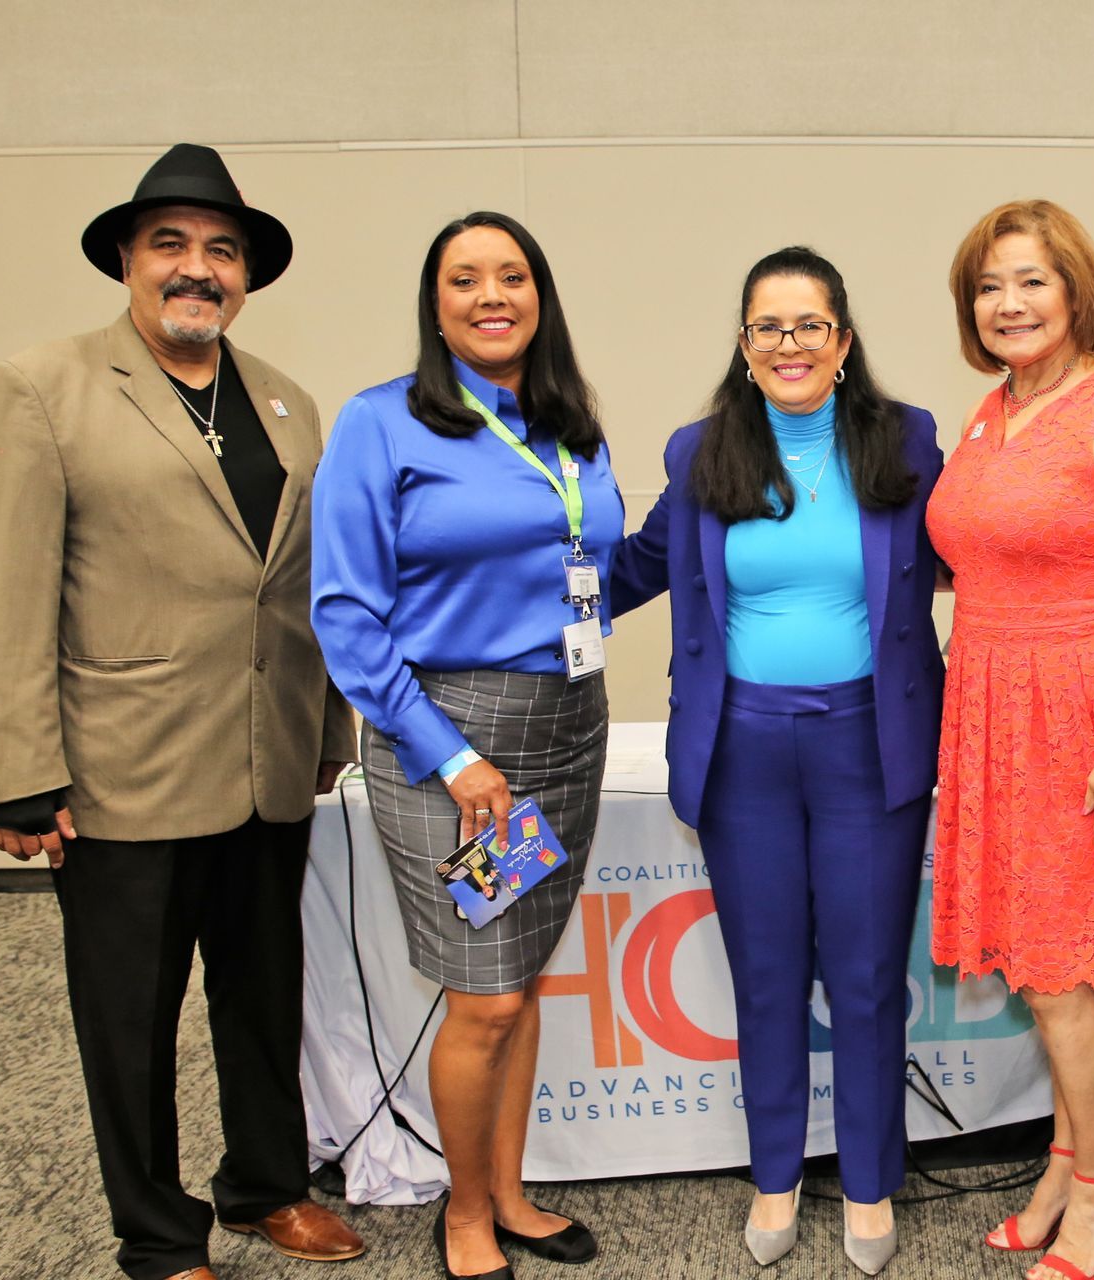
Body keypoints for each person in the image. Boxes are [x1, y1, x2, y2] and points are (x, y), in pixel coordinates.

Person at [0, 143, 365, 1280]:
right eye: (173, 246)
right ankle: (155, 1229)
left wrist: (329, 734)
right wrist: (18, 771)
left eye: (221, 251)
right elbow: (1, 589)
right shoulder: (41, 387)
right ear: (130, 263)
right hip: (120, 769)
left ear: (245, 276)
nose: (199, 269)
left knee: (264, 992)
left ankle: (266, 1186)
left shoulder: (286, 401)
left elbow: (302, 586)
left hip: (267, 759)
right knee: (130, 1017)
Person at [605, 245, 944, 1275]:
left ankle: (874, 1182)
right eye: (768, 326)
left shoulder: (906, 442)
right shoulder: (699, 452)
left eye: (810, 325)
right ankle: (776, 1175)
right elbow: (634, 568)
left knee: (869, 976)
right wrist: (513, 582)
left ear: (842, 342)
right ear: (744, 346)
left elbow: (981, 553)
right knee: (765, 977)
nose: (789, 343)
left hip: (868, 742)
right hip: (742, 750)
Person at [311, 211, 622, 1280]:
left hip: (565, 728)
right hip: (458, 747)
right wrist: (453, 756)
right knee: (484, 992)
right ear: (434, 303)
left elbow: (593, 567)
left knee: (521, 975)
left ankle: (510, 1190)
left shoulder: (567, 424)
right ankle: (463, 1214)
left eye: (513, 275)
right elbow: (347, 617)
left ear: (540, 294)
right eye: (464, 279)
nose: (492, 295)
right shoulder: (381, 423)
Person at [926, 200, 1094, 1280]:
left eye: (1031, 280)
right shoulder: (989, 413)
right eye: (990, 286)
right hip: (993, 710)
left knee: (1058, 972)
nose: (1009, 303)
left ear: (1075, 288)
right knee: (1043, 965)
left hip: (1089, 720)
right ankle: (1065, 1159)